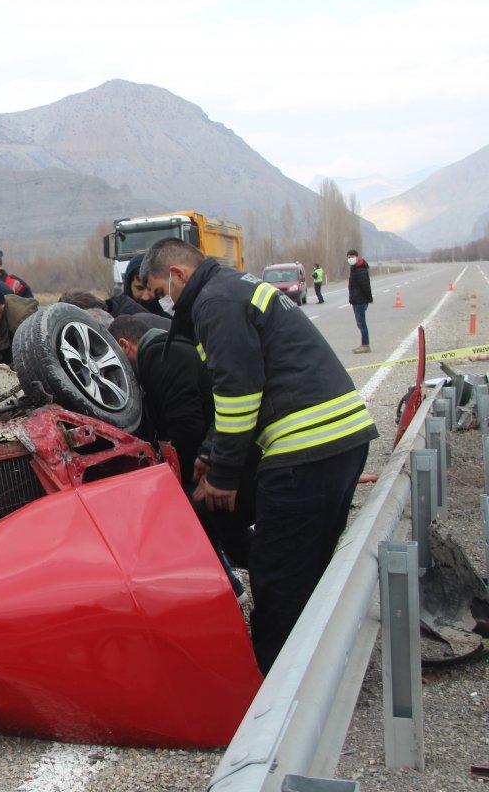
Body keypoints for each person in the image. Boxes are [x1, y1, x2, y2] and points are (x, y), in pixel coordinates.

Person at [140, 237, 377, 673]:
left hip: (307, 448)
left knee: (279, 573)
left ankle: (274, 690)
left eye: (159, 292)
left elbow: (239, 393)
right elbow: (236, 388)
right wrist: (212, 451)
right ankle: (319, 664)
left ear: (177, 275)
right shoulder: (231, 289)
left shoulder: (215, 302)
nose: (162, 303)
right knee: (309, 564)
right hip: (338, 439)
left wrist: (224, 475)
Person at [108, 314, 251, 573]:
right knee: (224, 533)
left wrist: (174, 478)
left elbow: (186, 426)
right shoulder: (163, 353)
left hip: (213, 462)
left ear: (125, 345)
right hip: (215, 455)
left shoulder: (162, 357)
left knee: (197, 520)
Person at [106, 254, 170, 319]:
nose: (145, 297)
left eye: (151, 289)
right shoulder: (111, 313)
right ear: (128, 285)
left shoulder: (171, 313)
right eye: (139, 288)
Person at [347, 250, 372, 353]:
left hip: (360, 300)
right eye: (348, 257)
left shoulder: (360, 269)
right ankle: (364, 344)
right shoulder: (355, 268)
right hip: (356, 300)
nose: (350, 259)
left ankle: (365, 345)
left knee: (362, 324)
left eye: (352, 256)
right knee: (360, 324)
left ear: (357, 257)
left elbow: (366, 286)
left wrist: (369, 299)